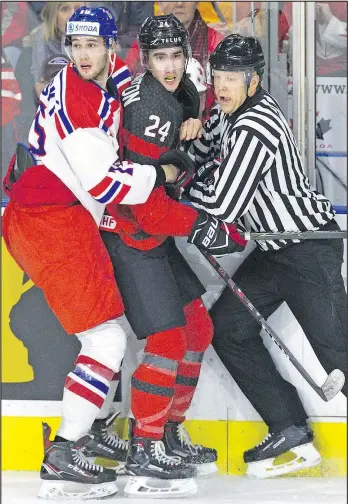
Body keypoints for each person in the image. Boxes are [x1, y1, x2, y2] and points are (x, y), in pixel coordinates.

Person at [2, 6, 187, 500]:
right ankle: (63, 452)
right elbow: (106, 184)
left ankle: (97, 433)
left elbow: (129, 82)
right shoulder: (81, 100)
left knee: (111, 333)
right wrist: (164, 175)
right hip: (48, 222)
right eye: (75, 46)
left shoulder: (101, 78)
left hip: (55, 216)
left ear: (109, 47)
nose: (83, 55)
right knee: (105, 342)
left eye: (92, 45)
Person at [187, 34, 347, 479]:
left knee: (339, 353)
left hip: (308, 247)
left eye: (232, 77)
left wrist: (180, 186)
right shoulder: (227, 112)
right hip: (275, 249)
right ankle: (290, 429)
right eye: (217, 76)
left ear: (253, 80)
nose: (222, 85)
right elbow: (200, 152)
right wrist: (189, 140)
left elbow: (223, 205)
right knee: (227, 328)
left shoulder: (256, 126)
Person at [97, 14, 245, 498]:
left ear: (187, 55)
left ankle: (168, 432)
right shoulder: (148, 109)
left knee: (197, 328)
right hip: (131, 234)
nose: (170, 66)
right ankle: (145, 448)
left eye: (176, 56)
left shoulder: (184, 94)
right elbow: (145, 199)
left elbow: (175, 166)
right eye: (159, 57)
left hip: (152, 234)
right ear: (144, 59)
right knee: (166, 340)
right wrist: (204, 225)